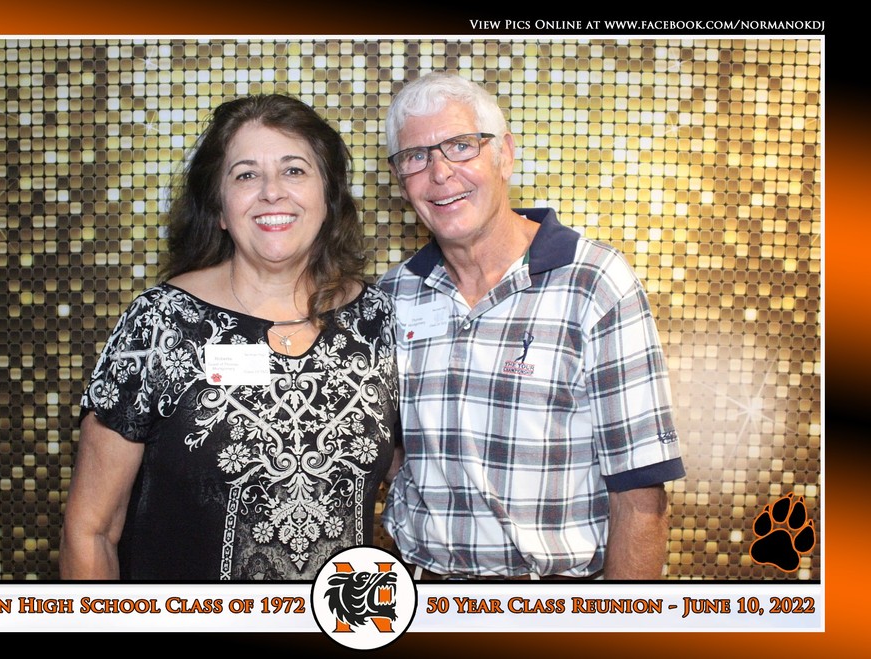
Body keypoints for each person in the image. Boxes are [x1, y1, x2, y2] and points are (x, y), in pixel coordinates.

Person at [60, 94, 398, 581]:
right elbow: (90, 531)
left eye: (294, 170)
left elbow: (417, 471)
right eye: (245, 175)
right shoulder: (160, 324)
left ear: (329, 198)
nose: (272, 192)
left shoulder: (377, 320)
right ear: (219, 208)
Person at [380, 72, 685, 580]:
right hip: (420, 589)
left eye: (461, 146)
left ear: (504, 154)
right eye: (415, 156)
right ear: (399, 179)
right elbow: (386, 451)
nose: (440, 173)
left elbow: (640, 495)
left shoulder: (594, 282)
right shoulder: (393, 296)